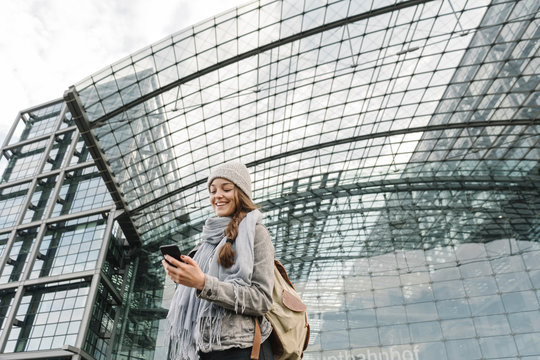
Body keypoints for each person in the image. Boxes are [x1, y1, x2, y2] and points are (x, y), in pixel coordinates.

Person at [162, 161, 275, 360]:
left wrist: (203, 283)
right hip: (203, 349)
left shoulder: (256, 233)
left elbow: (262, 299)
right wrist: (182, 278)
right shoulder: (203, 245)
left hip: (242, 348)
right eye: (212, 191)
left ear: (241, 193)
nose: (217, 196)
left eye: (226, 189)